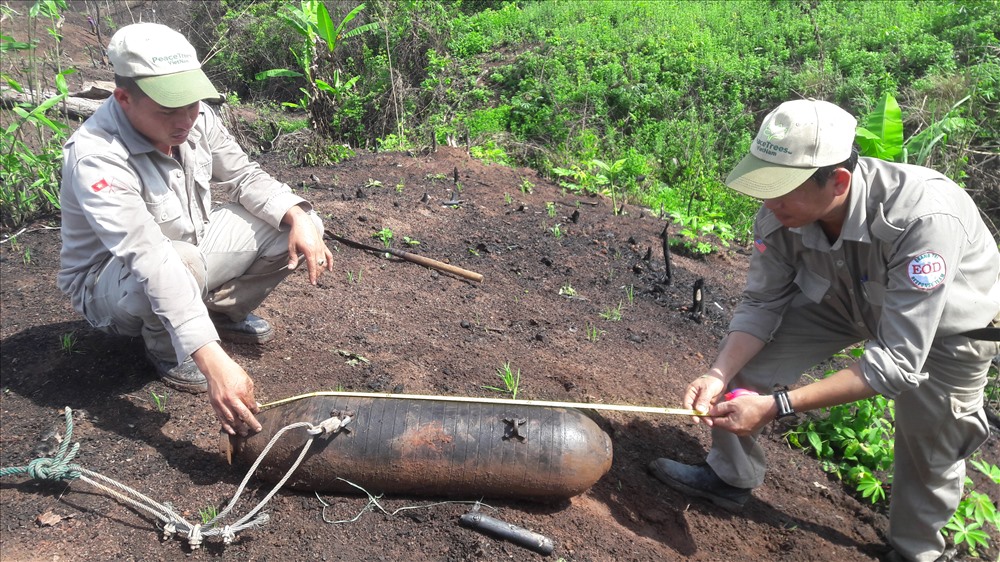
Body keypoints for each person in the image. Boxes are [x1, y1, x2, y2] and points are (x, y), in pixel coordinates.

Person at [647, 99, 1000, 562]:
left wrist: (779, 406)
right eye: (764, 185)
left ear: (838, 180)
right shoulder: (780, 215)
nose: (769, 203)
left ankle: (916, 551)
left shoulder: (922, 217)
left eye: (784, 189)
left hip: (944, 334)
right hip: (840, 299)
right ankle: (730, 478)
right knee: (741, 374)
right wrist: (717, 373)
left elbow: (896, 361)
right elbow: (762, 303)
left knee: (929, 442)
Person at [58, 23, 334, 437]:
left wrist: (297, 215)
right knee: (177, 259)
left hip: (185, 248)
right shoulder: (97, 158)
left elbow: (244, 176)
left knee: (295, 221)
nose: (187, 118)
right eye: (169, 109)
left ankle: (220, 312)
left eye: (192, 103)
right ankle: (167, 348)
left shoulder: (194, 114)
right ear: (124, 98)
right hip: (112, 284)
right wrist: (212, 360)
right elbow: (149, 258)